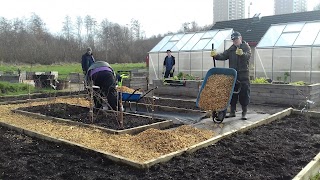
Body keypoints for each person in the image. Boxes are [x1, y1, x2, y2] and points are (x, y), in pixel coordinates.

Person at [210, 31, 251, 120]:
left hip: (243, 75)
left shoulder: (246, 47)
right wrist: (216, 55)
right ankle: (232, 112)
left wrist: (242, 54)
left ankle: (244, 113)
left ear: (240, 38)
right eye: (233, 40)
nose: (235, 41)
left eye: (236, 39)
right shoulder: (231, 49)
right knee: (232, 95)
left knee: (244, 95)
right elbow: (223, 55)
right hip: (233, 75)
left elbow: (248, 56)